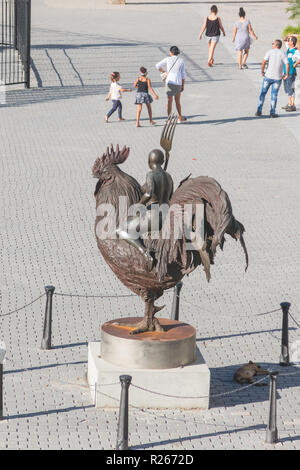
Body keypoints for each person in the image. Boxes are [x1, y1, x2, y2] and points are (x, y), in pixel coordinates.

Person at [115, 149, 174, 268]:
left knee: (121, 229)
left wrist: (138, 205)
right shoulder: (168, 177)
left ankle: (145, 252)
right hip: (166, 214)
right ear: (162, 161)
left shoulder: (150, 175)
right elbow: (170, 195)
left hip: (154, 216)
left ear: (149, 162)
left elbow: (149, 194)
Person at [255, 39, 289, 118]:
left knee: (263, 93)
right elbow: (287, 64)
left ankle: (259, 111)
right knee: (274, 95)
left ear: (276, 45)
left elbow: (263, 62)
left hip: (268, 76)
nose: (272, 44)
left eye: (273, 43)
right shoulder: (283, 53)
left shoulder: (269, 52)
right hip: (277, 78)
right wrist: (286, 74)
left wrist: (262, 71)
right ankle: (272, 112)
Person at [156, 46, 187, 122]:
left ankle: (169, 119)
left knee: (169, 101)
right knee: (177, 101)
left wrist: (164, 71)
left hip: (169, 82)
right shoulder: (181, 61)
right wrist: (183, 85)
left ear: (171, 52)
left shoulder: (168, 59)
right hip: (178, 82)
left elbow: (157, 66)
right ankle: (180, 117)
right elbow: (183, 74)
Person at [282, 36, 298, 112]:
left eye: (290, 40)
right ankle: (289, 103)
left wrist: (296, 64)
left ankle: (292, 105)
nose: (288, 41)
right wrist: (288, 37)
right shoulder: (289, 49)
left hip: (291, 73)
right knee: (288, 89)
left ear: (292, 42)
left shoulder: (295, 51)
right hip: (286, 72)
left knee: (291, 89)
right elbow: (284, 39)